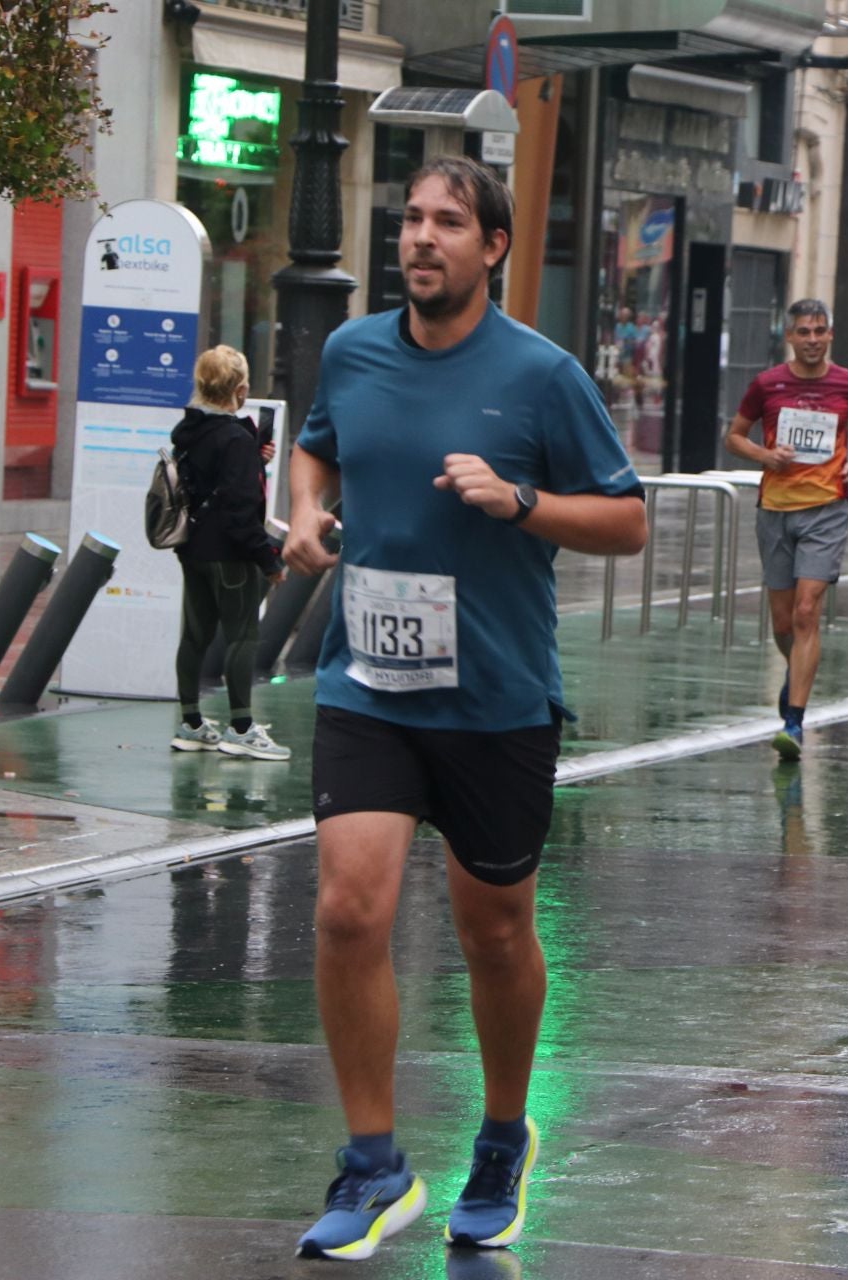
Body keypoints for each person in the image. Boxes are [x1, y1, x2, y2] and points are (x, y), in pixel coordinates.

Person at [282, 156, 647, 1261]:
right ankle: (375, 1162)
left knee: (493, 931)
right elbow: (315, 446)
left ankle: (500, 1137)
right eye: (410, 221)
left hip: (494, 695)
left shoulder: (542, 376)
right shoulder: (352, 351)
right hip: (368, 684)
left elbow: (626, 520)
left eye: (448, 222)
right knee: (351, 909)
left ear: (493, 246)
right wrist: (305, 514)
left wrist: (521, 498)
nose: (421, 238)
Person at [726, 300, 848, 760]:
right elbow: (734, 435)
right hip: (775, 508)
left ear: (830, 335)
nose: (812, 339)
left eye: (820, 331)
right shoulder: (767, 384)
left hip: (827, 508)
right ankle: (797, 673)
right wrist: (764, 457)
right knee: (785, 621)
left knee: (809, 611)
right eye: (803, 331)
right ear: (789, 336)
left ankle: (794, 721)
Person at [168, 345, 290, 761]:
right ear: (239, 389)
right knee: (242, 635)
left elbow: (210, 476)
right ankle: (241, 727)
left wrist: (252, 456)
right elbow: (240, 510)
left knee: (195, 633)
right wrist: (268, 561)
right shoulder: (235, 439)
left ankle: (191, 722)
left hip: (193, 548)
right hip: (230, 555)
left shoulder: (188, 430)